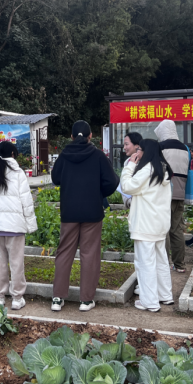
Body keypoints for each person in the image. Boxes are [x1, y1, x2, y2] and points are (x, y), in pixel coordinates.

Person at [50, 121, 119, 313]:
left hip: (69, 211)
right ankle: (86, 300)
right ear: (90, 136)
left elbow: (55, 178)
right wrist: (99, 192)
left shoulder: (64, 155)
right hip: (92, 211)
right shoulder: (98, 155)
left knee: (64, 252)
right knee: (89, 254)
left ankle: (57, 298)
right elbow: (112, 181)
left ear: (71, 137)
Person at [0, 141, 38, 311]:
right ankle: (17, 298)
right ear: (13, 154)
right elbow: (26, 201)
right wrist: (31, 225)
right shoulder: (18, 173)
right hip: (15, 226)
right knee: (16, 263)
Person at [121, 139, 174, 312]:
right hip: (160, 224)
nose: (137, 153)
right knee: (160, 261)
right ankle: (165, 295)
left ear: (146, 151)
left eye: (140, 150)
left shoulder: (147, 170)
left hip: (145, 224)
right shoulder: (163, 170)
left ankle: (149, 301)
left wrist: (130, 166)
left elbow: (127, 187)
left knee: (145, 263)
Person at [155, 120, 190, 274]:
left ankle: (164, 264)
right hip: (180, 193)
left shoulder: (161, 147)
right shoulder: (185, 148)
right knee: (177, 229)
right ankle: (179, 264)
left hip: (164, 193)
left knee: (163, 229)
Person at [120, 133, 142, 208]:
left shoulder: (145, 163)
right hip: (131, 204)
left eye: (126, 144)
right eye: (124, 145)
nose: (124, 148)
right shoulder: (127, 162)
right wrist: (128, 201)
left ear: (137, 145)